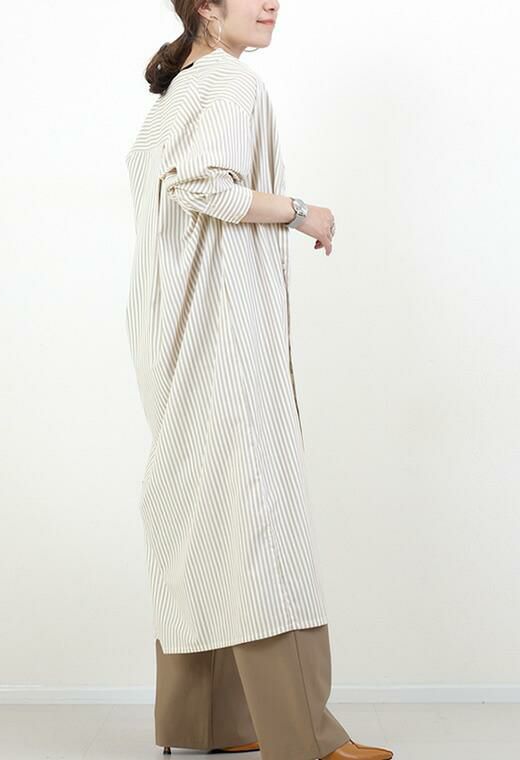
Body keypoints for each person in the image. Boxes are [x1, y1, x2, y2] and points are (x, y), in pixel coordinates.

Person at [124, 2, 394, 759]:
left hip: (170, 334)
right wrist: (301, 211)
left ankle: (209, 722)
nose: (272, 3)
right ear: (206, 6)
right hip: (222, 335)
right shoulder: (230, 83)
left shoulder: (179, 91)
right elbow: (201, 185)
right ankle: (302, 733)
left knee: (202, 512)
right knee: (259, 514)